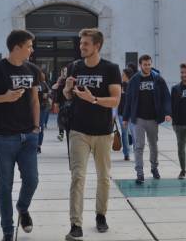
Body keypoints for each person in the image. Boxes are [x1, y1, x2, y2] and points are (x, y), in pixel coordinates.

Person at [0, 29, 41, 241]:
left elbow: (34, 100)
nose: (32, 50)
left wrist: (36, 127)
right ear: (17, 47)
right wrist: (4, 97)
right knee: (5, 186)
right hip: (3, 138)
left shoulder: (32, 69)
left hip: (28, 136)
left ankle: (23, 207)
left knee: (32, 180)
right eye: (29, 46)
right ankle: (8, 231)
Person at [62, 28, 121, 241]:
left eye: (86, 43)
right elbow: (68, 96)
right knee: (77, 177)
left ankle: (101, 215)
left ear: (97, 46)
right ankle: (75, 224)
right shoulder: (75, 67)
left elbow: (115, 100)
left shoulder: (111, 69)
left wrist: (94, 99)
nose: (81, 47)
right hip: (78, 130)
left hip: (104, 132)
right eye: (81, 43)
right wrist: (67, 89)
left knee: (104, 178)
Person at [123, 55, 171, 184]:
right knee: (138, 146)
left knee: (153, 145)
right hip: (138, 119)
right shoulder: (134, 80)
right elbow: (128, 100)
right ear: (140, 65)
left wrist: (167, 112)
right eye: (145, 64)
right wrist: (126, 117)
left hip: (153, 119)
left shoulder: (158, 79)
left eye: (149, 64)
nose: (148, 67)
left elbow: (166, 97)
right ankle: (140, 173)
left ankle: (154, 168)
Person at [117, 68, 134, 161]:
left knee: (133, 133)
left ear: (127, 76)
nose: (121, 76)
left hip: (131, 113)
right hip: (121, 113)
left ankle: (136, 152)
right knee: (124, 133)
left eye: (123, 74)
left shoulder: (133, 85)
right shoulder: (119, 85)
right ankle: (126, 153)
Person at [52, 66, 68, 141]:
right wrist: (56, 102)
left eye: (65, 71)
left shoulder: (70, 79)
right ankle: (61, 134)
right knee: (60, 118)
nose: (64, 73)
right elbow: (55, 89)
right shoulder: (60, 80)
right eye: (63, 71)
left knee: (68, 119)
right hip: (62, 102)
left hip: (69, 101)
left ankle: (68, 132)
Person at [37, 71, 52, 154]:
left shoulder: (44, 84)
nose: (42, 75)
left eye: (43, 74)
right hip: (33, 107)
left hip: (42, 107)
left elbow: (49, 94)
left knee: (40, 126)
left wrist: (47, 96)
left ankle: (38, 145)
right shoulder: (33, 83)